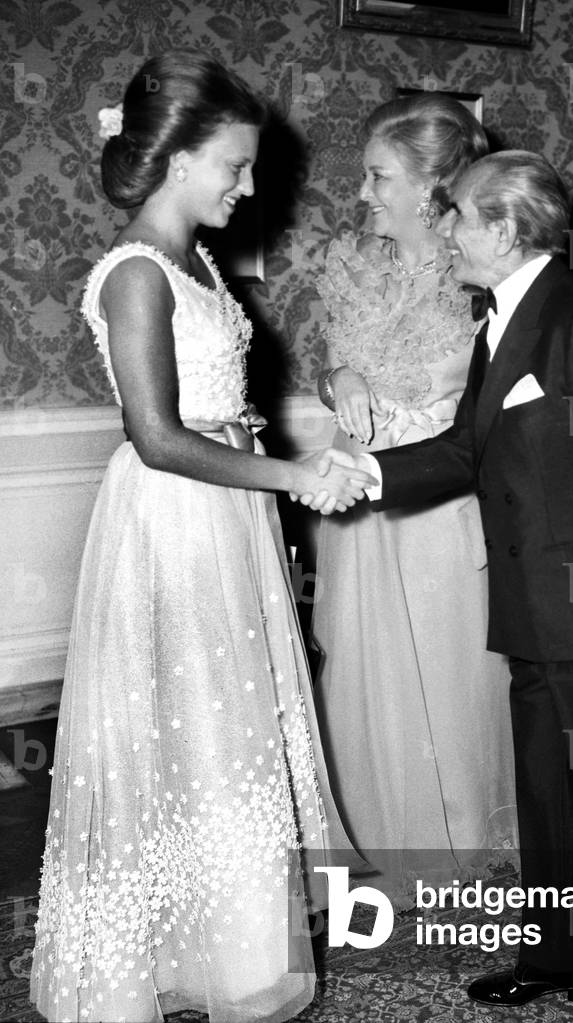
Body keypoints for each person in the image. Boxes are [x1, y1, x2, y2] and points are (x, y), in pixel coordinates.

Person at [307, 150, 573, 1021]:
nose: (444, 232)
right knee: (546, 796)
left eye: (457, 217)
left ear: (504, 229)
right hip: (530, 609)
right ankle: (559, 955)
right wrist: (366, 470)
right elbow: (463, 453)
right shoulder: (502, 321)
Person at [29, 51, 374, 1023]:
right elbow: (158, 437)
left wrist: (284, 465)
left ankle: (231, 955)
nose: (250, 184)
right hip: (173, 524)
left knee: (229, 734)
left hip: (228, 519)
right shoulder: (135, 273)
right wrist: (293, 473)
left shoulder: (200, 261)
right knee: (188, 735)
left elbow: (220, 411)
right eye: (235, 164)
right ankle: (148, 962)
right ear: (180, 158)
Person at [310, 94, 517, 906]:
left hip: (437, 501)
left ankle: (463, 840)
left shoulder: (485, 278)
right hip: (355, 495)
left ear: (432, 185)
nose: (362, 192)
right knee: (362, 665)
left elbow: (492, 411)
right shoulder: (351, 263)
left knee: (449, 667)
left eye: (377, 175)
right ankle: (373, 833)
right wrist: (340, 379)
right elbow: (327, 370)